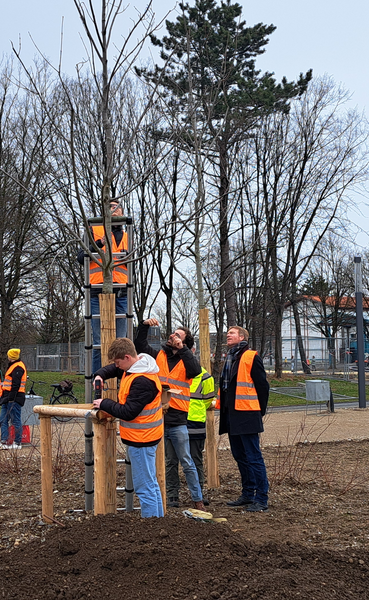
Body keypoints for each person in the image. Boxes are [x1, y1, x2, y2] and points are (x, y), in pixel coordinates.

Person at [135, 317, 205, 510]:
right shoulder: (159, 355)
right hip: (157, 417)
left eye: (178, 335)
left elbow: (195, 370)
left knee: (186, 461)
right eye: (173, 334)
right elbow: (139, 345)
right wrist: (144, 326)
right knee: (166, 462)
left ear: (185, 343)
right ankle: (170, 496)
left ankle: (197, 499)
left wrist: (182, 348)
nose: (172, 336)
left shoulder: (187, 360)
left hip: (178, 420)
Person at [92, 338, 164, 518]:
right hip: (144, 436)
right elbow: (113, 369)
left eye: (118, 362)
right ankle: (158, 523)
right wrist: (100, 375)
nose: (117, 367)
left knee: (144, 488)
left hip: (142, 439)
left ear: (127, 357)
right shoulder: (135, 367)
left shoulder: (142, 381)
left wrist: (104, 403)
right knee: (150, 484)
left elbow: (128, 412)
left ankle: (152, 528)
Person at [218, 326, 270, 513]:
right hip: (232, 415)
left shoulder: (250, 356)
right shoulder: (230, 358)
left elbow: (262, 386)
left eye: (231, 333)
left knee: (253, 457)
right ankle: (248, 494)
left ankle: (262, 498)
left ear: (242, 337)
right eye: (228, 333)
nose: (228, 335)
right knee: (240, 456)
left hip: (247, 414)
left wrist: (258, 411)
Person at [78, 200, 129, 372]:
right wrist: (98, 244)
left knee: (122, 342)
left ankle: (120, 382)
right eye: (109, 207)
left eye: (116, 207)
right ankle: (98, 381)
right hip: (97, 290)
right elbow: (81, 257)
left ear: (122, 211)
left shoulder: (129, 236)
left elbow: (135, 264)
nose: (113, 211)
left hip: (121, 290)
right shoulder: (94, 230)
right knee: (99, 342)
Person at [188, 358, 217, 505]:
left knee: (194, 459)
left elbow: (208, 399)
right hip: (182, 421)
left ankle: (197, 493)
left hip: (195, 423)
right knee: (172, 460)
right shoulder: (180, 374)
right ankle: (172, 495)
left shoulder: (205, 377)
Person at [0, 349, 25, 450]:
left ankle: (17, 442)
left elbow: (16, 385)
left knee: (15, 420)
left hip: (14, 398)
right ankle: (4, 441)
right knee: (3, 419)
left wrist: (11, 398)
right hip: (8, 397)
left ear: (11, 356)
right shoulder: (14, 366)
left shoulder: (18, 367)